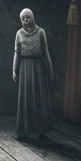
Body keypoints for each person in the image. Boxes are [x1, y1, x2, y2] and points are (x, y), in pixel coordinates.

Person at [13, 8, 55, 142]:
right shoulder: (19, 33)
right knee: (26, 98)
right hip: (24, 67)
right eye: (23, 18)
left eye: (28, 18)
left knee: (38, 97)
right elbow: (17, 53)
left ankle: (41, 129)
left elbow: (45, 52)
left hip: (38, 68)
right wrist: (14, 70)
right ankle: (23, 130)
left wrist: (50, 70)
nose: (26, 21)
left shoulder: (41, 32)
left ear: (33, 17)